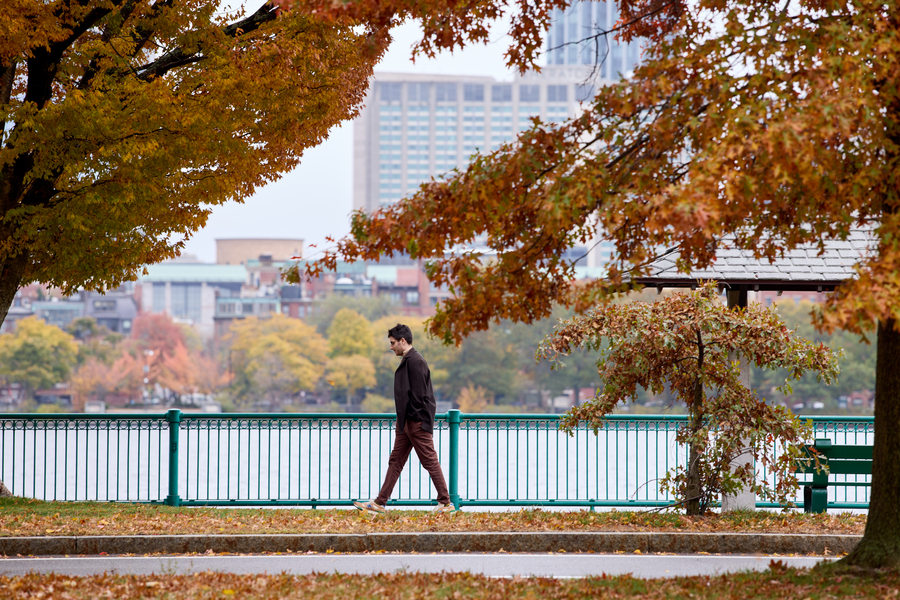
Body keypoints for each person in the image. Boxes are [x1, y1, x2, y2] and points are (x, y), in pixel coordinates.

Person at [354, 323, 455, 514]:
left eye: (393, 343)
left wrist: (413, 420)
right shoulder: (409, 360)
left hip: (415, 422)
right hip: (406, 423)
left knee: (429, 460)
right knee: (396, 461)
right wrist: (404, 421)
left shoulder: (416, 361)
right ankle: (380, 503)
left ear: (403, 341)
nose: (390, 347)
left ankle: (446, 503)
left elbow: (419, 396)